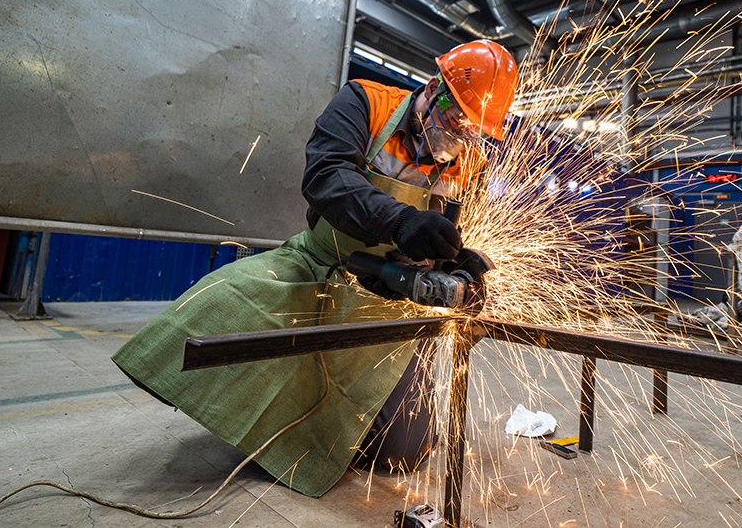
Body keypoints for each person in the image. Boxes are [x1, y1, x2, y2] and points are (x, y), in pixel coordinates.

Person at [111, 39, 518, 498]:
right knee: (220, 301)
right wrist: (399, 219)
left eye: (472, 130)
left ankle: (343, 415)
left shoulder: (470, 161)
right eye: (455, 118)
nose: (459, 134)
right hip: (321, 263)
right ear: (432, 87)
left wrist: (462, 264)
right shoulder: (365, 103)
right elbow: (325, 175)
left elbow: (451, 235)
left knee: (402, 454)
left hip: (392, 297)